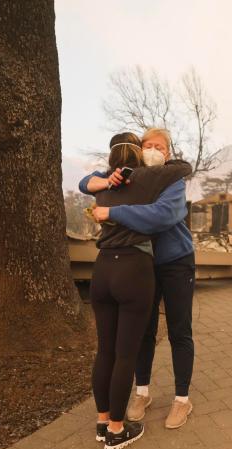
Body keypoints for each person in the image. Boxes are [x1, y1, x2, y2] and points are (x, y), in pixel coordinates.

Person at [79, 127, 196, 429]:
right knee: (144, 332)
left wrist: (113, 212)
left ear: (167, 153)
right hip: (142, 264)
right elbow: (85, 182)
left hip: (175, 261)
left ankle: (182, 399)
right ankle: (142, 393)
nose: (153, 150)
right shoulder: (132, 177)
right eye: (148, 145)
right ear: (138, 150)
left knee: (179, 330)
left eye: (160, 146)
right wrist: (106, 181)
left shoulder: (171, 179)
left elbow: (162, 217)